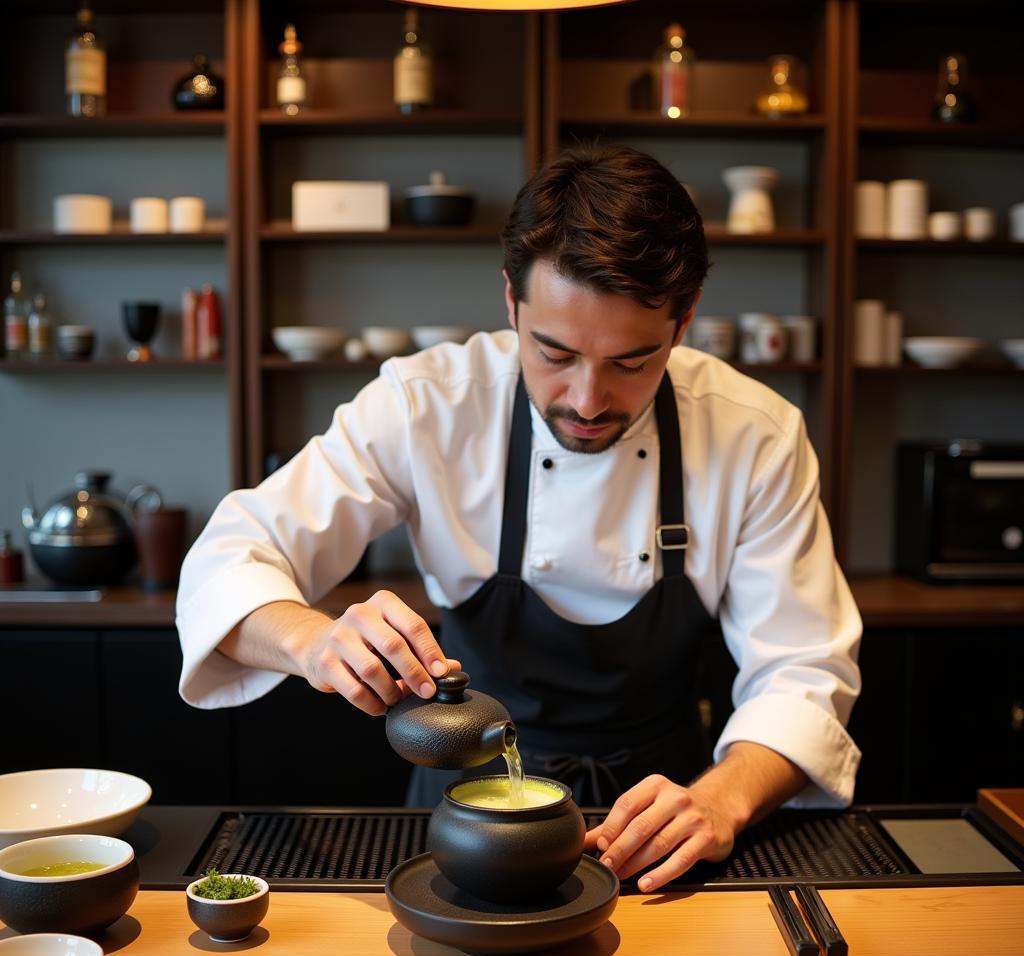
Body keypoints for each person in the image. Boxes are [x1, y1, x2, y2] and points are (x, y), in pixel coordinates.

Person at [176, 142, 862, 893]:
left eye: (632, 361)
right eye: (554, 352)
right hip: (461, 823)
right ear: (511, 302)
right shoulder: (426, 405)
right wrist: (315, 641)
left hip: (666, 828)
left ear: (684, 320)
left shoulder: (752, 433)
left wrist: (722, 798)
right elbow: (230, 556)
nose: (588, 399)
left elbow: (803, 668)